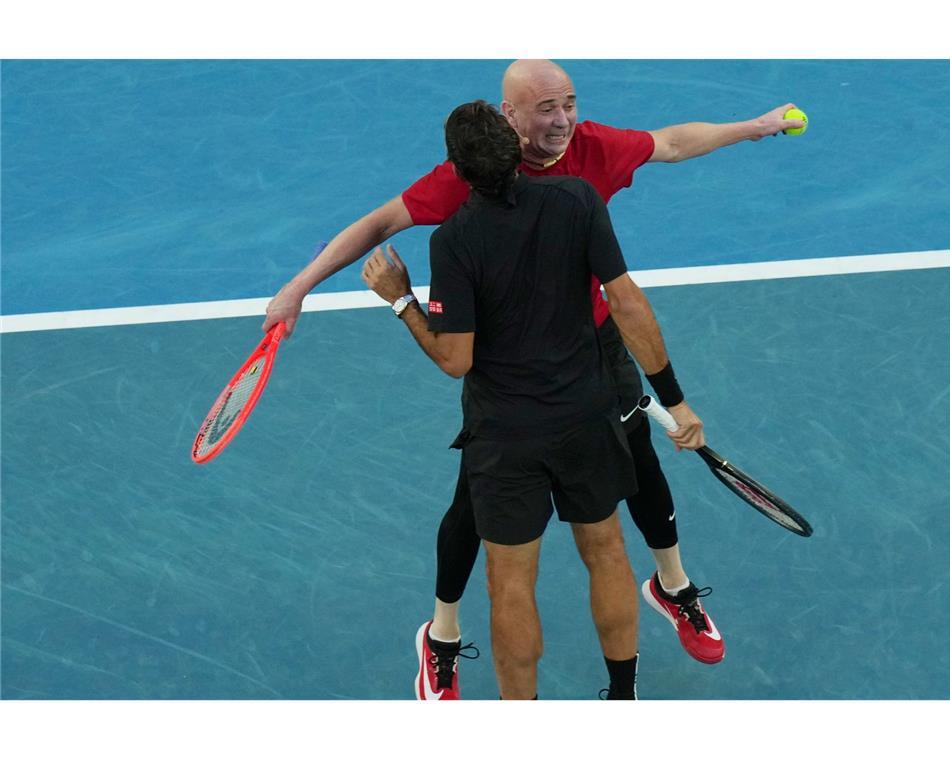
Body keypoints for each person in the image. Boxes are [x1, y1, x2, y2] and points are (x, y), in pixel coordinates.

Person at [263, 59, 803, 698]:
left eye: (569, 103)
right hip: (505, 367)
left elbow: (675, 143)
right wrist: (298, 287)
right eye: (547, 109)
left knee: (637, 463)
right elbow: (380, 225)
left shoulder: (590, 150)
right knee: (476, 505)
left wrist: (753, 126)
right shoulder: (472, 184)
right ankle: (440, 635)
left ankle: (673, 586)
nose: (563, 120)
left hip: (590, 348)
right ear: (508, 118)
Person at [362, 100, 704, 700]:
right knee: (606, 553)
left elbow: (455, 360)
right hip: (586, 418)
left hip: (506, 437)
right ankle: (622, 698)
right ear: (516, 152)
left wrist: (400, 300)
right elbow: (626, 304)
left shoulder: (455, 241)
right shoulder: (577, 200)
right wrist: (676, 401)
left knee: (511, 584)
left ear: (459, 173)